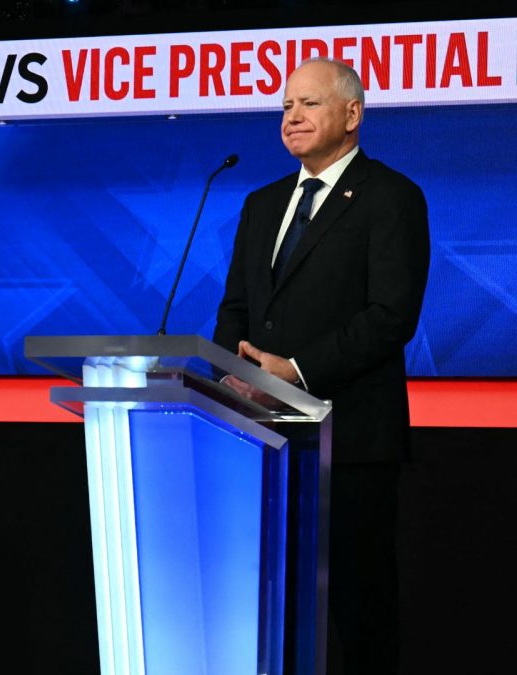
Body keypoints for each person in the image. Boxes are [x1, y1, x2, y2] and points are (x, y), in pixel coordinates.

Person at [213, 58, 430, 674]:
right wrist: (236, 373)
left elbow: (391, 316)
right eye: (285, 106)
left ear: (352, 115)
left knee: (360, 615)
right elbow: (235, 308)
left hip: (351, 442)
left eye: (308, 103)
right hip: (263, 442)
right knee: (271, 613)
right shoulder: (262, 204)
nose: (292, 117)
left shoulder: (392, 198)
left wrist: (296, 370)